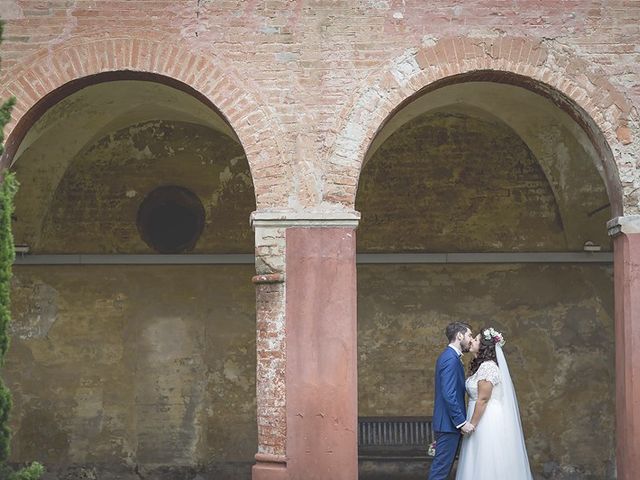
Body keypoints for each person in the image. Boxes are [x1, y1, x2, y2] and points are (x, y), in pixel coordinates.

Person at [455, 327, 533, 479]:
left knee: (487, 457)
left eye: (476, 339)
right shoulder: (480, 366)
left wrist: (472, 424)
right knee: (477, 458)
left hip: (486, 419)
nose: (472, 340)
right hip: (479, 415)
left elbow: (483, 399)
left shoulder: (488, 367)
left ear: (484, 346)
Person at [428, 322, 475, 480]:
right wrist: (461, 422)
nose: (471, 339)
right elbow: (449, 394)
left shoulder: (451, 357)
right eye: (469, 335)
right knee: (440, 471)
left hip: (448, 424)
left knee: (442, 469)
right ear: (459, 336)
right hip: (448, 425)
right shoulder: (450, 358)